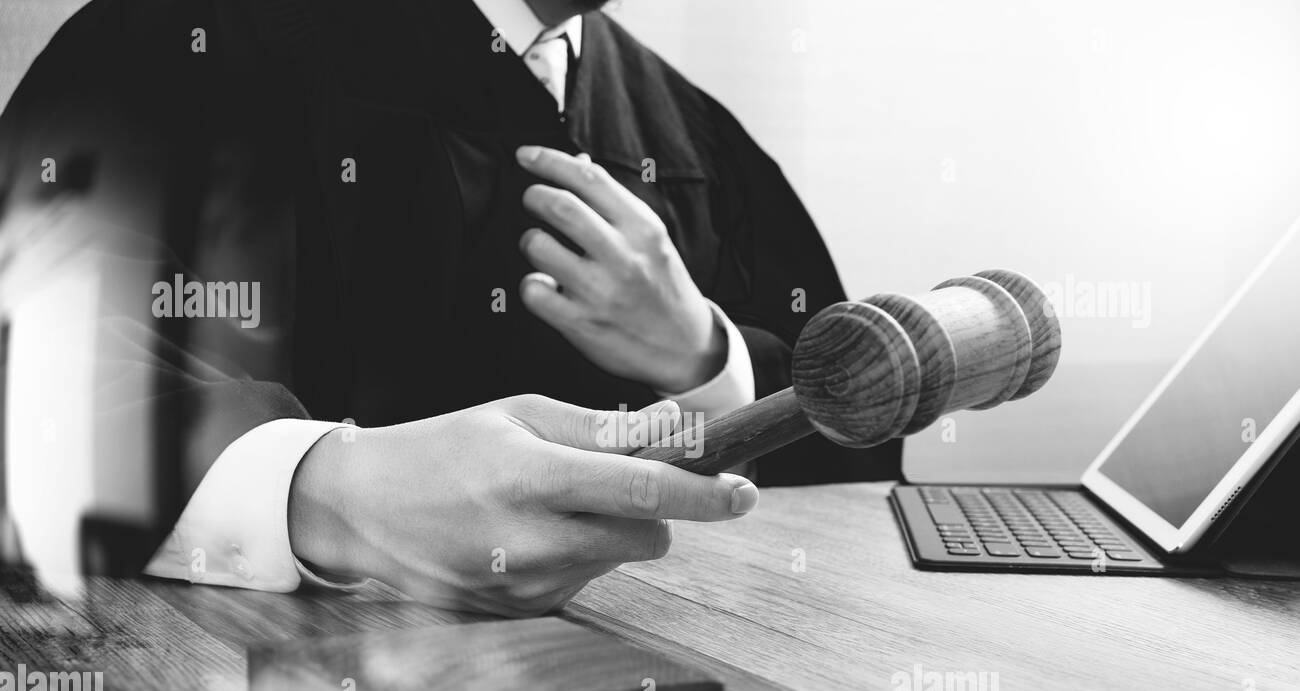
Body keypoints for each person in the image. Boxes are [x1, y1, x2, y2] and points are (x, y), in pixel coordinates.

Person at [0, 0, 899, 614]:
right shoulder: (184, 35)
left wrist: (708, 357)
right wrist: (329, 493)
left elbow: (859, 441)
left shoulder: (693, 134)